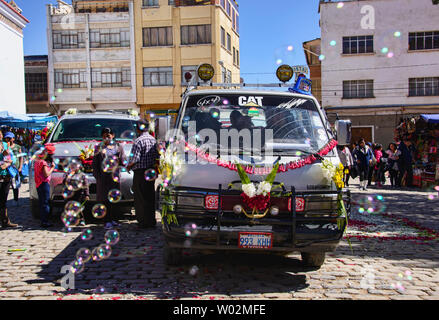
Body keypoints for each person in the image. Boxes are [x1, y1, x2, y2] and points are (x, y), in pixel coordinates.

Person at [126, 119, 159, 228]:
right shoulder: (153, 140)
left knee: (140, 198)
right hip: (151, 172)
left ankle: (143, 221)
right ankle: (151, 220)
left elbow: (135, 159)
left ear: (138, 128)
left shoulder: (138, 141)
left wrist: (128, 166)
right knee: (150, 197)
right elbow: (157, 156)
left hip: (140, 173)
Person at [92, 128, 126, 230]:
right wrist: (98, 177)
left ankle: (114, 219)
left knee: (114, 199)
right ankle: (106, 221)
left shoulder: (118, 147)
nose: (107, 136)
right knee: (104, 200)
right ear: (102, 137)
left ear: (113, 135)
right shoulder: (99, 147)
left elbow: (123, 160)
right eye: (105, 135)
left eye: (109, 135)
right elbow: (95, 164)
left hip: (114, 178)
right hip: (103, 178)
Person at [34, 143, 56, 228]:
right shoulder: (43, 163)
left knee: (42, 202)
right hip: (44, 184)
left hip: (39, 184)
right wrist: (52, 168)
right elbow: (46, 174)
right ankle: (45, 221)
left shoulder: (38, 161)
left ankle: (43, 219)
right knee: (45, 202)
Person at [4, 132, 23, 205]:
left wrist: (20, 167)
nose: (8, 139)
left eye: (9, 138)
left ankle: (16, 199)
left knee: (15, 184)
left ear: (13, 139)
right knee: (6, 184)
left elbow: (21, 157)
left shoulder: (17, 147)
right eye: (6, 138)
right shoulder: (4, 146)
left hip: (15, 168)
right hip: (6, 168)